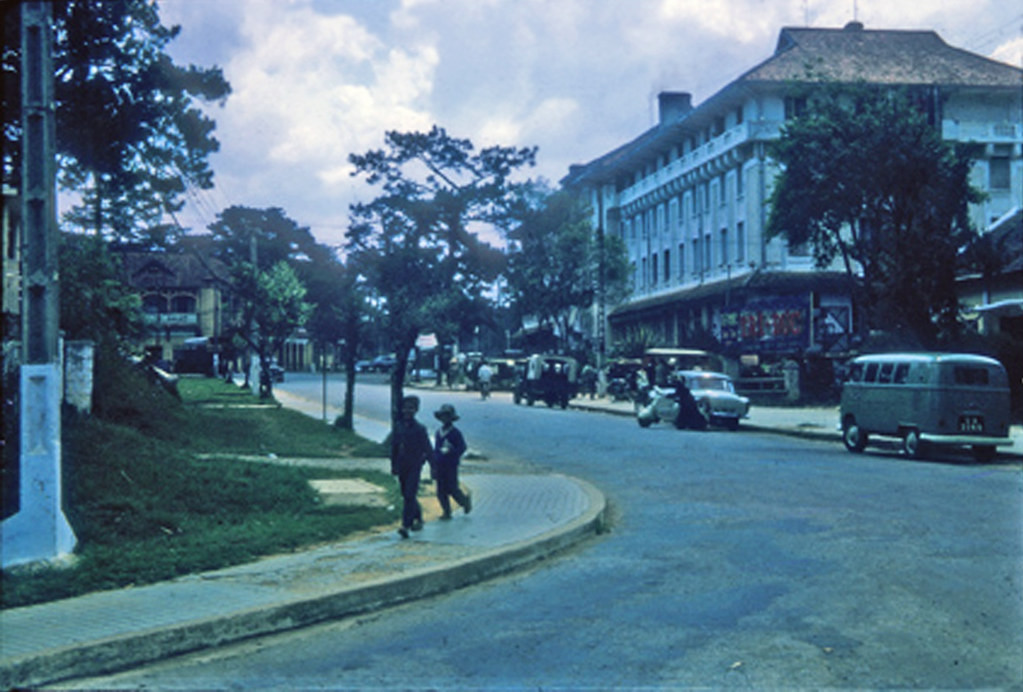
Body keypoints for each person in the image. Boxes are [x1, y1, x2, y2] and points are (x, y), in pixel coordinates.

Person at [390, 395, 433, 538]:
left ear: (416, 410)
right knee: (406, 495)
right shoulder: (399, 426)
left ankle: (406, 525)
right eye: (405, 408)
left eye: (411, 408)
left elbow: (428, 449)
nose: (408, 411)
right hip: (402, 465)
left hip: (415, 465)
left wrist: (434, 467)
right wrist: (394, 465)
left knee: (409, 494)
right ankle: (418, 517)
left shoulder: (420, 429)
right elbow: (394, 447)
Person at [432, 403, 472, 519]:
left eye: (447, 416)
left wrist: (452, 452)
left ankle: (464, 501)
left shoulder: (455, 433)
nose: (445, 419)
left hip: (451, 465)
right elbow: (436, 448)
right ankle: (446, 511)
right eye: (443, 416)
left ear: (451, 418)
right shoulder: (438, 432)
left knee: (452, 488)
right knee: (440, 491)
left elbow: (462, 447)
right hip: (440, 464)